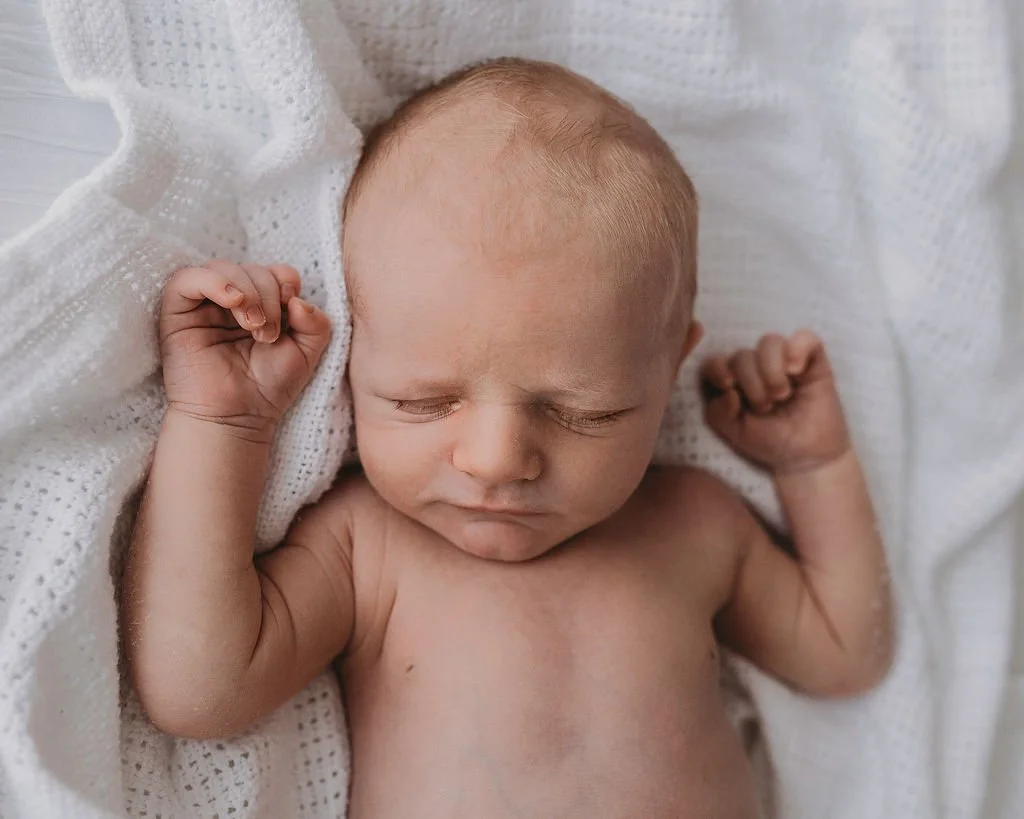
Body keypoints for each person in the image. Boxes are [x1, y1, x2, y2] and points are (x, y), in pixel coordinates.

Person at [124, 57, 893, 818]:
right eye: (424, 402)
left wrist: (812, 465)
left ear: (668, 371)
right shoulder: (368, 549)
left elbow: (845, 653)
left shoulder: (694, 525)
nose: (495, 461)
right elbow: (199, 690)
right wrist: (224, 422)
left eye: (583, 412)